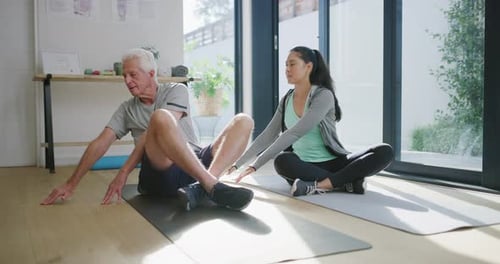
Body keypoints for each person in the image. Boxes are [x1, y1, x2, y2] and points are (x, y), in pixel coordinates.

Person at [41, 48, 254, 211]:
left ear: (151, 73)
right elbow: (100, 143)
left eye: (133, 75)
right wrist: (71, 184)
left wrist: (123, 171)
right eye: (124, 76)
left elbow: (163, 123)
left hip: (194, 160)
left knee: (243, 121)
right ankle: (211, 186)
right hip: (160, 171)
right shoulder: (126, 110)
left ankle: (202, 186)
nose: (127, 81)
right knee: (159, 118)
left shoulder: (176, 90)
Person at [229, 46, 394, 196]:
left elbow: (295, 132)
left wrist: (256, 165)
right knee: (282, 160)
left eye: (292, 64)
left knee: (384, 151)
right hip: (304, 166)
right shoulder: (287, 99)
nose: (287, 69)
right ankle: (343, 183)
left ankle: (318, 185)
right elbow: (268, 135)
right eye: (286, 65)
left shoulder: (323, 95)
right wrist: (239, 163)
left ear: (308, 67)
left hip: (334, 162)